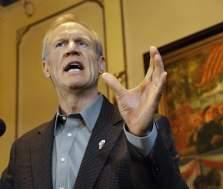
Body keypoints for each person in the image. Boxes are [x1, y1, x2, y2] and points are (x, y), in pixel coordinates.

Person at [0, 14, 187, 189]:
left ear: (100, 64)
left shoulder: (146, 130)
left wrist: (140, 139)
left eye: (82, 43)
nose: (72, 49)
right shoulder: (23, 149)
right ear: (46, 67)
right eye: (60, 44)